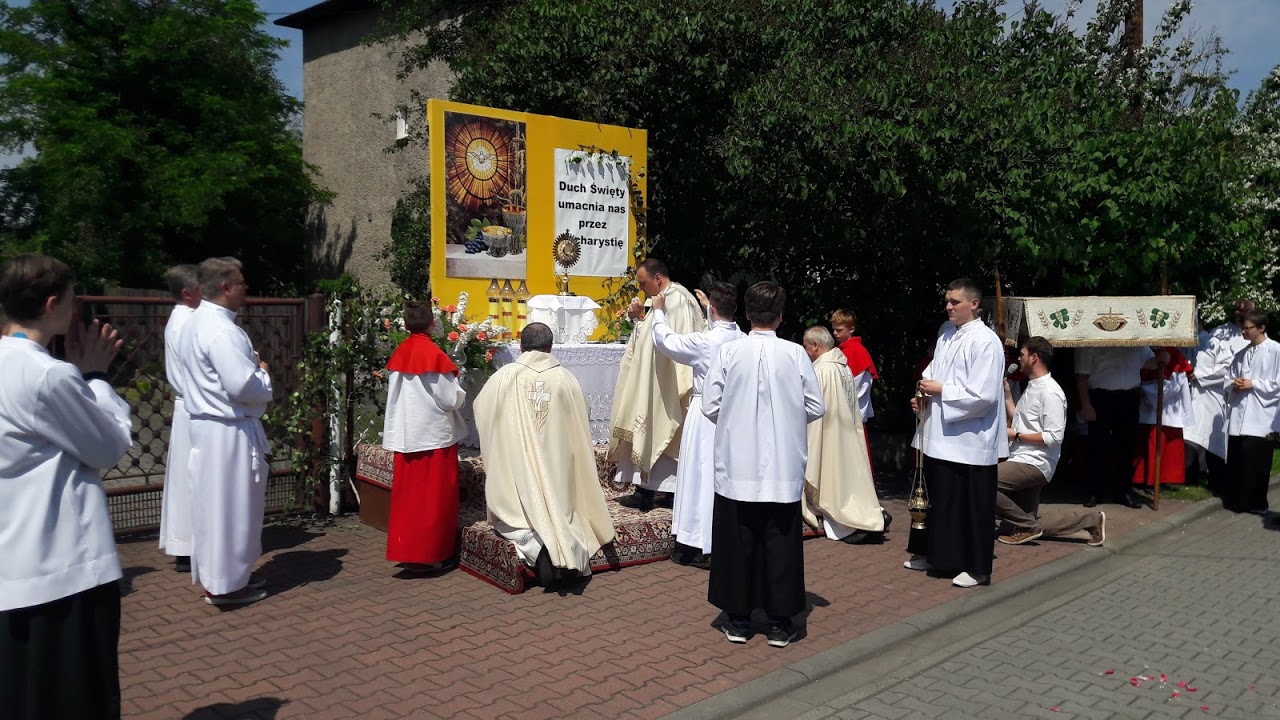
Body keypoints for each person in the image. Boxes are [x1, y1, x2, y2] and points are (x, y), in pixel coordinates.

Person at [0, 254, 134, 720]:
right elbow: (108, 446)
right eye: (73, 300)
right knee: (79, 698)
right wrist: (94, 376)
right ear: (52, 304)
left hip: (13, 563)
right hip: (65, 568)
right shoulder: (47, 375)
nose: (76, 310)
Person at [703, 281, 825, 648]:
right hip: (781, 466)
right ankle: (778, 624)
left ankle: (739, 621)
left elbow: (710, 405)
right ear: (780, 316)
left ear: (746, 313)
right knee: (780, 543)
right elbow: (816, 406)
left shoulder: (729, 352)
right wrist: (786, 419)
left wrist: (736, 419)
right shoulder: (795, 354)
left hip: (737, 464)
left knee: (737, 542)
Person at [474, 322, 615, 586]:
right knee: (565, 504)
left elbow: (482, 410)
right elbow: (583, 415)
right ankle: (564, 547)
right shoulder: (565, 378)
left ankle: (536, 547)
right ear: (550, 347)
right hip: (556, 467)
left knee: (518, 513)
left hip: (519, 468)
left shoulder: (505, 376)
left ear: (521, 346)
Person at [179, 257, 274, 606]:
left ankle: (224, 579)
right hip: (227, 430)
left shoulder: (195, 322)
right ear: (225, 287)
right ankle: (227, 587)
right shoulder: (222, 330)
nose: (246, 288)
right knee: (231, 509)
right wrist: (263, 373)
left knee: (215, 508)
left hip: (209, 427)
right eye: (241, 282)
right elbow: (242, 385)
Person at [906, 278, 1007, 589]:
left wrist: (941, 390)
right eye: (947, 301)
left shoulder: (986, 342)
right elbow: (932, 374)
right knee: (941, 498)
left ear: (974, 304)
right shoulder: (946, 334)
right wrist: (923, 394)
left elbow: (984, 395)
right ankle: (936, 556)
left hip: (971, 437)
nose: (948, 307)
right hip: (940, 433)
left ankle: (976, 567)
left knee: (970, 504)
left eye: (955, 302)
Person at [650, 281, 744, 567]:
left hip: (706, 415)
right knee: (724, 477)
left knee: (699, 476)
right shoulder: (742, 337)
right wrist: (709, 308)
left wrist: (658, 311)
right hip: (736, 414)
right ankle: (720, 538)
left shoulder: (705, 342)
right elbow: (723, 325)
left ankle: (701, 542)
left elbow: (666, 341)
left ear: (712, 310)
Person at [608, 258, 707, 511]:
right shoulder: (663, 299)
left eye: (643, 283)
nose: (641, 289)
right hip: (654, 377)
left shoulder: (677, 300)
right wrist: (637, 319)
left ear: (658, 279)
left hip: (666, 380)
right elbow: (650, 337)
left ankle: (666, 492)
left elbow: (674, 343)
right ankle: (647, 489)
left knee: (665, 432)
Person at [382, 301, 467, 574]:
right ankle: (431, 556)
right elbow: (449, 398)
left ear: (406, 325)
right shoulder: (432, 354)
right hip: (433, 435)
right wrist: (460, 389)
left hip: (407, 434)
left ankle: (409, 552)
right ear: (433, 323)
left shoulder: (401, 352)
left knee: (410, 499)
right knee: (433, 500)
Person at [996, 337, 1106, 547]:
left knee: (984, 481)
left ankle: (1026, 526)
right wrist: (1007, 395)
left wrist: (1016, 436)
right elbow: (1021, 421)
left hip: (1035, 462)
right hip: (1023, 457)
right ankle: (1092, 520)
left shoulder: (1050, 392)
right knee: (1022, 521)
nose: (1018, 359)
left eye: (1022, 355)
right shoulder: (1033, 386)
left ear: (1034, 358)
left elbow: (1053, 437)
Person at [800, 327, 886, 543]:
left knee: (832, 483)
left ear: (816, 346)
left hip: (828, 434)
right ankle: (870, 515)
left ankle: (855, 522)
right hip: (845, 431)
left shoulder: (823, 370)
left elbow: (816, 410)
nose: (806, 351)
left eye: (806, 346)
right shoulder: (841, 365)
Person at [159, 264, 202, 573]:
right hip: (195, 406)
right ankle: (189, 546)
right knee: (192, 479)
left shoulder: (183, 319)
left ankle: (187, 545)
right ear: (188, 293)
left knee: (187, 478)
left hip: (190, 405)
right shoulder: (188, 323)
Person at [1075, 346, 1157, 508]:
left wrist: (1161, 359)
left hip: (1129, 397)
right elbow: (1081, 376)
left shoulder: (1136, 340)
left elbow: (1150, 362)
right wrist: (1086, 404)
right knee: (1097, 446)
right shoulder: (1090, 341)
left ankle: (1124, 491)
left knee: (1127, 447)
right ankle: (1094, 492)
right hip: (1101, 397)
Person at [1187, 299, 1253, 496]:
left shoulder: (1213, 341)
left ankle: (1217, 478)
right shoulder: (1216, 333)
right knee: (1191, 436)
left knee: (1213, 437)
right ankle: (1191, 475)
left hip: (1214, 395)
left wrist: (1199, 375)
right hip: (1193, 394)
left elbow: (1225, 367)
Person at [1223, 310, 1279, 514]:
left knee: (1257, 461)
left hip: (1262, 415)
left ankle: (1257, 503)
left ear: (1261, 328)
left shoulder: (1276, 350)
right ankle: (1238, 500)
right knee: (1239, 458)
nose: (1243, 332)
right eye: (1243, 328)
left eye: (1247, 328)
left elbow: (1278, 383)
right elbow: (1228, 377)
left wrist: (1253, 384)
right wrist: (1234, 383)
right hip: (1240, 413)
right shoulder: (1242, 353)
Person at [1131, 348, 1195, 489]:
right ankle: (1144, 478)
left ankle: (1162, 479)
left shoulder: (1174, 354)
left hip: (1168, 409)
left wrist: (1155, 394)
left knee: (1165, 446)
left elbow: (1177, 382)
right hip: (1146, 407)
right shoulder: (1143, 350)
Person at [830, 309, 878, 423]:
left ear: (851, 329)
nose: (835, 333)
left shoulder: (857, 351)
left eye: (839, 330)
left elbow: (860, 386)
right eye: (834, 329)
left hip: (851, 414)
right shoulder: (837, 349)